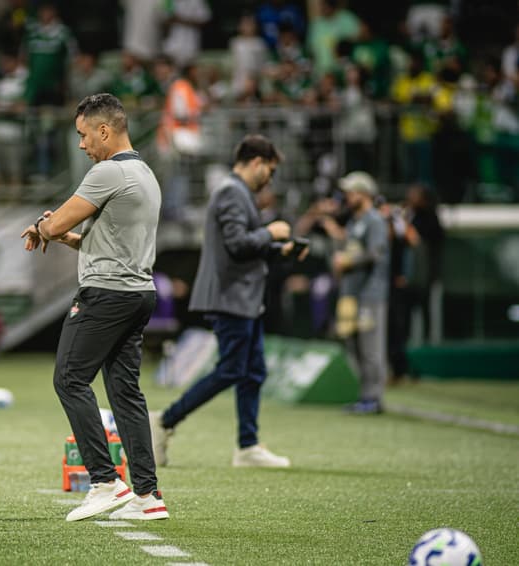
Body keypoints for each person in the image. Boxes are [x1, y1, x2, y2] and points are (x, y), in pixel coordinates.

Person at [20, 93, 168, 522]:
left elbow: (58, 220)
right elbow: (99, 240)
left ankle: (105, 481)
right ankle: (147, 495)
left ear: (105, 130)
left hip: (105, 295)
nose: (82, 145)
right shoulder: (144, 174)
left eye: (84, 135)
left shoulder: (108, 172)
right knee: (125, 394)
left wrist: (45, 227)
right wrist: (64, 236)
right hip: (139, 293)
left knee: (68, 378)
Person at [149, 134, 307, 469]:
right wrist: (272, 232)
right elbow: (238, 244)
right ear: (256, 162)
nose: (270, 178)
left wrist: (283, 249)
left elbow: (243, 247)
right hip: (231, 297)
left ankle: (247, 445)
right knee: (233, 369)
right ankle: (165, 421)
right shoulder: (232, 193)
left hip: (241, 298)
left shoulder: (236, 193)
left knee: (252, 371)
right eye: (270, 170)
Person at [320, 171, 390, 414]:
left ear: (364, 193)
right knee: (353, 346)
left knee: (371, 347)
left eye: (351, 192)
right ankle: (364, 395)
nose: (347, 196)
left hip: (370, 294)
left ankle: (375, 397)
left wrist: (348, 261)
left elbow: (376, 254)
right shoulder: (353, 222)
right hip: (350, 293)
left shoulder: (374, 221)